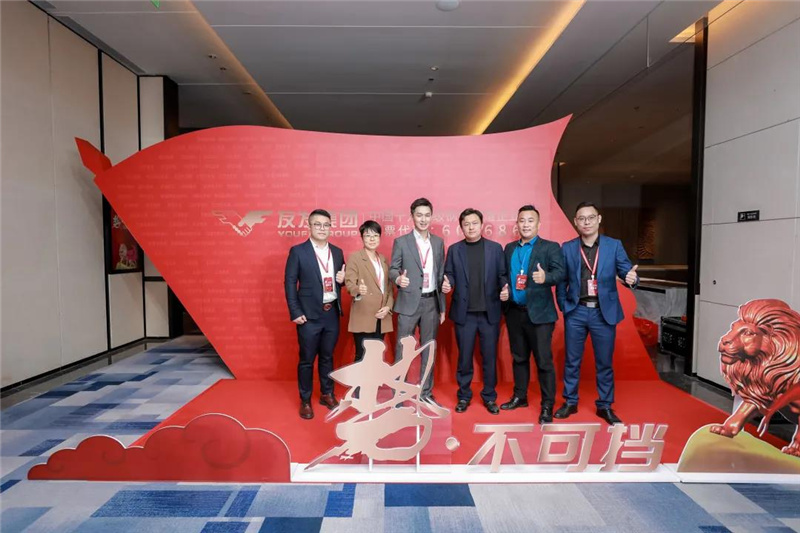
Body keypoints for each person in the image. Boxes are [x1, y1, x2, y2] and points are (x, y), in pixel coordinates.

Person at [555, 202, 639, 425]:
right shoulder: (568, 248)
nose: (587, 222)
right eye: (582, 218)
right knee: (572, 361)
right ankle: (570, 402)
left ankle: (605, 405)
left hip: (603, 313)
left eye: (591, 217)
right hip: (576, 311)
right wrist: (565, 306)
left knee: (604, 362)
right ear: (575, 222)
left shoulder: (613, 246)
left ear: (599, 219)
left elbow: (626, 271)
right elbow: (561, 281)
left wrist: (632, 279)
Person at [500, 205, 565, 423]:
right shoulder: (509, 248)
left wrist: (546, 278)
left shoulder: (550, 247)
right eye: (522, 220)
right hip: (514, 312)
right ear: (517, 224)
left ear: (538, 224)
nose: (526, 224)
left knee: (544, 362)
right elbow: (505, 275)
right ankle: (520, 397)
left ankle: (547, 405)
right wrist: (505, 289)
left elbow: (560, 273)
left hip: (540, 315)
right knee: (519, 358)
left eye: (530, 220)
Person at [442, 208, 509, 414]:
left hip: (489, 313)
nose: (470, 227)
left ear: (481, 225)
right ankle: (464, 396)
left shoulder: (495, 249)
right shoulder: (455, 250)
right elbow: (449, 273)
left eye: (474, 223)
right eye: (466, 224)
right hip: (465, 314)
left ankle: (489, 397)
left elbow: (502, 274)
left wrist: (505, 287)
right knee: (464, 359)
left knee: (490, 358)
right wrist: (448, 283)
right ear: (461, 227)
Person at [284, 209, 346, 420]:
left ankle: (327, 394)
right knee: (307, 360)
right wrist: (295, 311)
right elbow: (290, 282)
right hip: (308, 315)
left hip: (331, 312)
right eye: (317, 224)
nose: (322, 228)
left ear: (330, 227)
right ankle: (305, 400)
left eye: (326, 225)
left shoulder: (337, 252)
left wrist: (342, 280)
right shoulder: (298, 251)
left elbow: (339, 280)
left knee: (328, 357)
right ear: (309, 226)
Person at [389, 198, 446, 405]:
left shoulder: (438, 243)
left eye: (427, 215)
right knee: (403, 350)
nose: (423, 219)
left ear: (431, 216)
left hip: (431, 303)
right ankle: (398, 395)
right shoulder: (401, 242)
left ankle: (425, 393)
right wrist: (398, 279)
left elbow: (440, 276)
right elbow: (393, 269)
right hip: (408, 303)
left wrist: (442, 307)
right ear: (412, 216)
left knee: (429, 350)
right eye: (419, 215)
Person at [345, 220, 393, 362]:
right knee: (362, 357)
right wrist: (358, 289)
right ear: (362, 237)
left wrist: (388, 307)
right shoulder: (355, 258)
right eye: (367, 235)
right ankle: (359, 379)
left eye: (375, 235)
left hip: (382, 315)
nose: (372, 239)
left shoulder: (383, 259)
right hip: (364, 314)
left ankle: (373, 381)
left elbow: (389, 288)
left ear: (380, 238)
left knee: (376, 358)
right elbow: (349, 283)